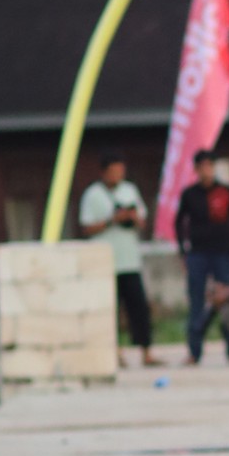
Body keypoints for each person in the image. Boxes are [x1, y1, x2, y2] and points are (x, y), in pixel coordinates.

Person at [77, 151, 157, 364]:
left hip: (130, 261)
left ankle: (146, 351)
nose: (117, 175)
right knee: (109, 311)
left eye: (120, 171)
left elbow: (143, 221)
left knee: (139, 308)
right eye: (113, 171)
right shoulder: (93, 194)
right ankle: (115, 352)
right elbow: (86, 227)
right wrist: (112, 220)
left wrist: (131, 217)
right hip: (104, 264)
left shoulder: (130, 190)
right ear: (104, 172)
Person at [174, 152, 229, 364]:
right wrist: (183, 251)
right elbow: (179, 222)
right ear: (196, 170)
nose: (206, 171)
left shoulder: (226, 192)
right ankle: (194, 351)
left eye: (209, 166)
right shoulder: (190, 194)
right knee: (196, 301)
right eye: (202, 167)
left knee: (227, 299)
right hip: (198, 253)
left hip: (222, 252)